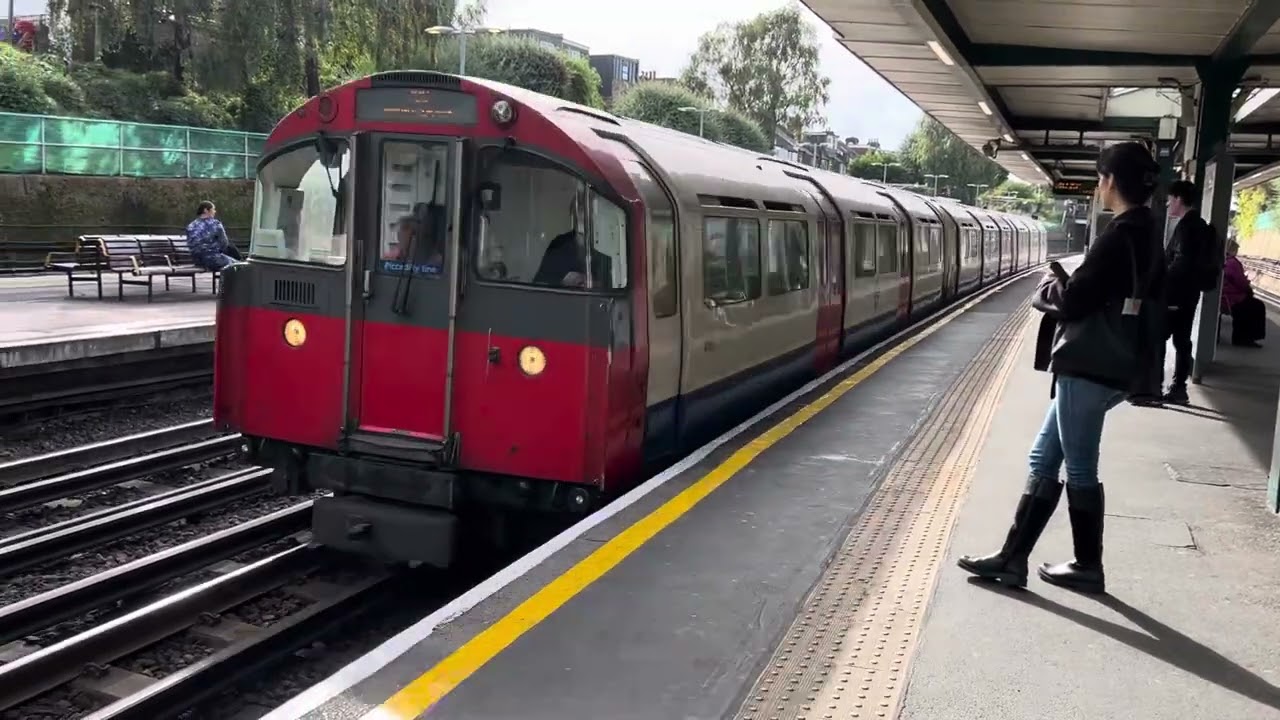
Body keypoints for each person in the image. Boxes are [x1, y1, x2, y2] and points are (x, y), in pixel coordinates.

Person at [957, 141, 1166, 595]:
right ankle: (1012, 559)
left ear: (1110, 181)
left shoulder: (1119, 233)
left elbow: (1074, 303)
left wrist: (1054, 286)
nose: (1097, 186)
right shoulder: (1150, 229)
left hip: (1089, 364)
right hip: (1113, 363)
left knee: (1081, 468)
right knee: (1044, 457)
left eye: (1100, 178)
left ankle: (1088, 566)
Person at [1154, 180, 1214, 405]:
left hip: (1176, 294)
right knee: (1182, 339)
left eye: (1170, 199)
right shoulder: (1199, 224)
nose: (1168, 204)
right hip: (1189, 294)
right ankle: (1178, 388)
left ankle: (1158, 387)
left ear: (1178, 199)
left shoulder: (1187, 227)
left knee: (1160, 337)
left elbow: (1182, 261)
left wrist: (1163, 279)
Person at [533, 196, 612, 288]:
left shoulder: (608, 245)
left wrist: (593, 283)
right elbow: (539, 283)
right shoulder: (559, 243)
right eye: (578, 210)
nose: (581, 216)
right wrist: (562, 282)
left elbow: (617, 283)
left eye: (586, 210)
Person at [1222, 240, 1265, 348]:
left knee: (1250, 305)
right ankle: (1246, 338)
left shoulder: (1224, 260)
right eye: (1236, 249)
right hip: (1232, 298)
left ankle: (1241, 337)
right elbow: (1240, 282)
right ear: (1232, 250)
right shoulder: (1232, 262)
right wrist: (1248, 287)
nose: (1236, 251)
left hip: (1225, 296)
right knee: (1258, 306)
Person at [186, 200, 242, 271]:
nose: (215, 211)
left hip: (197, 260)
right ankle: (230, 282)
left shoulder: (191, 225)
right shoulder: (215, 224)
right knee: (240, 266)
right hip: (212, 259)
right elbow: (224, 243)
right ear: (206, 210)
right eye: (213, 209)